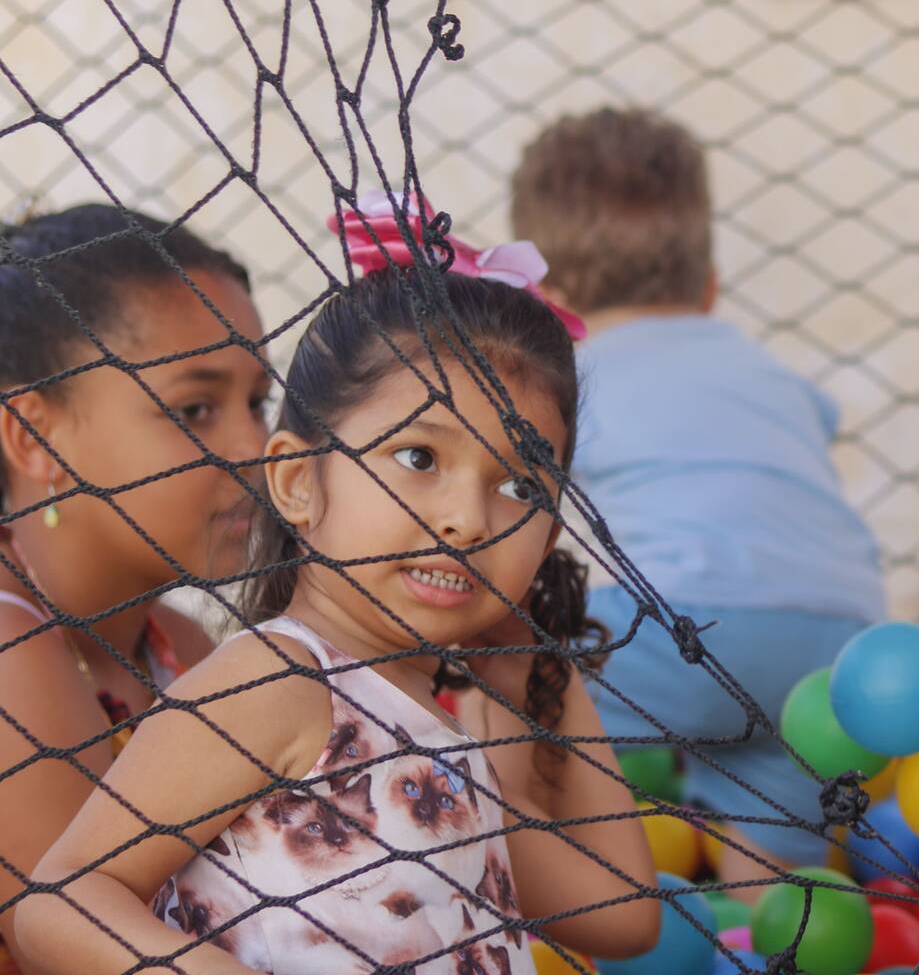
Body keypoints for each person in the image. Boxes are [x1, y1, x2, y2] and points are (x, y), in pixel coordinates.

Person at [19, 200, 658, 972]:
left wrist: (536, 665)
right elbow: (64, 899)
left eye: (522, 489)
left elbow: (624, 911)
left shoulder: (443, 747)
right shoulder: (280, 683)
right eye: (419, 458)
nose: (465, 518)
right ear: (295, 481)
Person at [510, 107, 887, 882]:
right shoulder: (771, 376)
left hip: (684, 629)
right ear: (712, 289)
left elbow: (511, 497)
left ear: (545, 303)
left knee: (503, 694)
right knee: (780, 895)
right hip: (841, 650)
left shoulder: (571, 380)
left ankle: (534, 896)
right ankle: (768, 927)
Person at [0, 206, 273, 970]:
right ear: (33, 436)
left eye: (258, 403)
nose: (253, 449)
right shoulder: (11, 653)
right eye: (195, 410)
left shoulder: (176, 647)